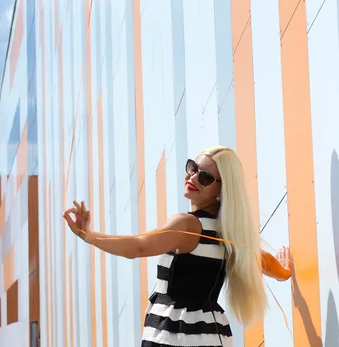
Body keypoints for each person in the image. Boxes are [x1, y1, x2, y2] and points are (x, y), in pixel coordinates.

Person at [63, 146, 291, 346]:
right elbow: (262, 260)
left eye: (206, 177)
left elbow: (139, 247)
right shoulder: (228, 233)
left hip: (174, 335)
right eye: (192, 168)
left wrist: (89, 236)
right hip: (211, 334)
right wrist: (284, 272)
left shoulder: (188, 225)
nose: (193, 178)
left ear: (222, 189)